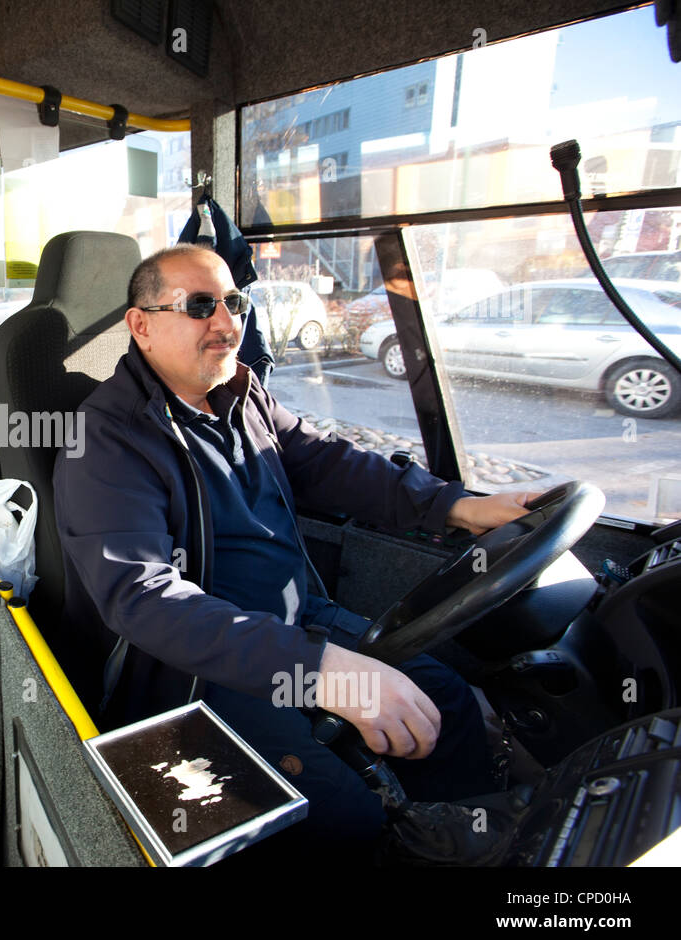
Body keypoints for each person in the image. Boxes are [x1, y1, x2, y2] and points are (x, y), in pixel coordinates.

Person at [53, 244, 536, 860]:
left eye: (234, 302)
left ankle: (474, 840)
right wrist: (320, 671)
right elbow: (143, 600)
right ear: (141, 324)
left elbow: (329, 462)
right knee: (344, 820)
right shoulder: (106, 441)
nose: (227, 323)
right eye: (200, 306)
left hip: (300, 621)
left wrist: (455, 506)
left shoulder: (242, 395)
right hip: (191, 672)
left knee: (449, 702)